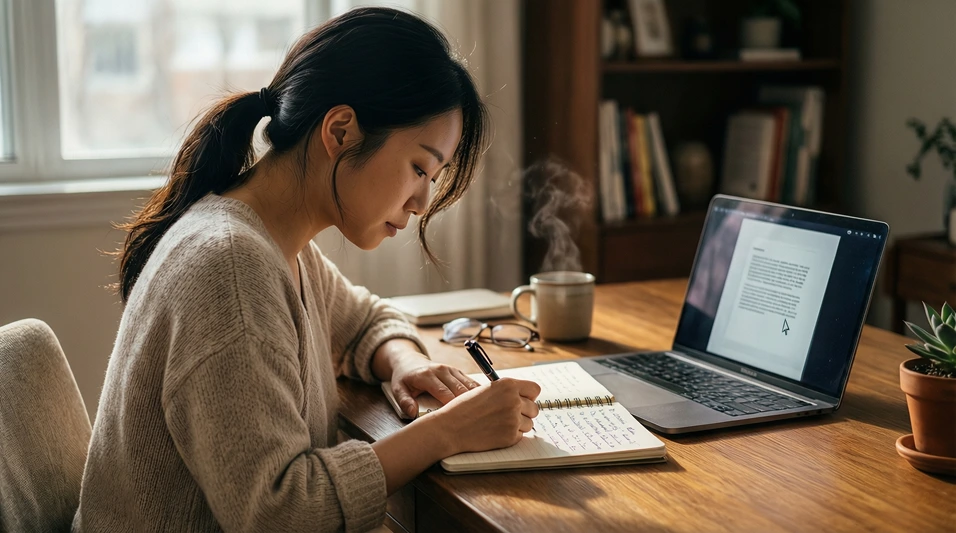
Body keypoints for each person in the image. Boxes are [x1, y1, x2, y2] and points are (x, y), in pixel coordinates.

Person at [73, 7, 541, 532]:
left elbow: (364, 321)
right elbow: (279, 511)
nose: (421, 202)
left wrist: (404, 361)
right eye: (419, 168)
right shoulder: (231, 268)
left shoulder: (276, 242)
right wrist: (446, 432)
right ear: (340, 131)